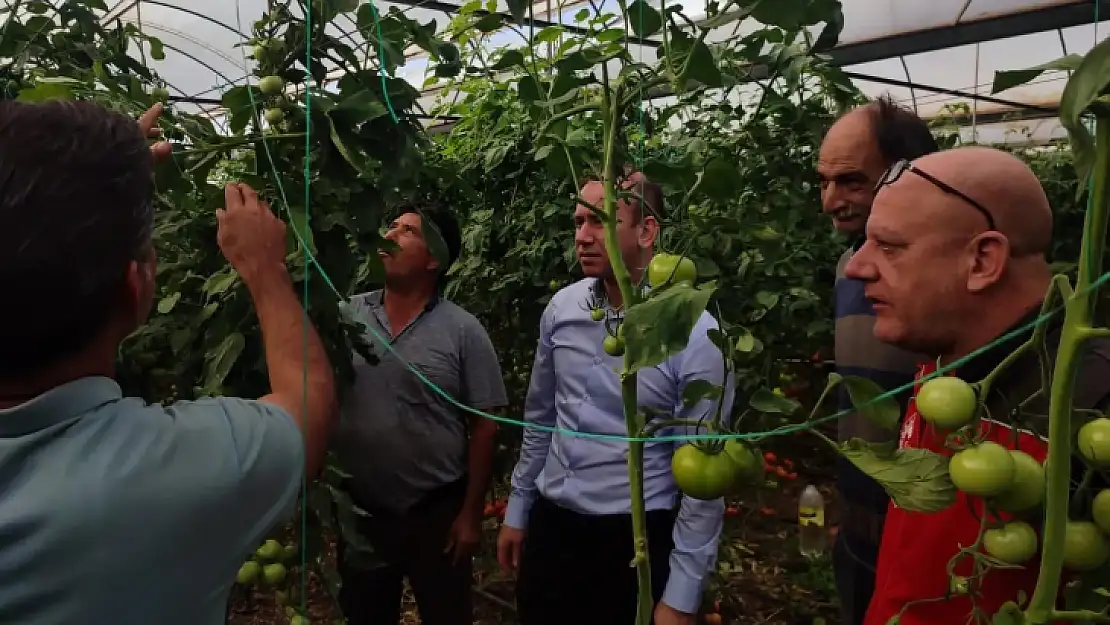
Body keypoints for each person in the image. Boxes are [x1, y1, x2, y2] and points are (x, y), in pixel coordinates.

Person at [0, 101, 338, 624]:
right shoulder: (169, 476)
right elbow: (309, 399)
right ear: (133, 290)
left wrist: (80, 189)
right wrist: (265, 269)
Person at [844, 146, 1110, 625]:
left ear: (984, 260)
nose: (856, 266)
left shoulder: (1089, 412)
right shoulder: (944, 365)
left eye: (890, 246)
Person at [496, 173, 734, 625]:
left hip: (634, 539)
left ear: (647, 231)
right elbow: (541, 418)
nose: (582, 237)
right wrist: (519, 508)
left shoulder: (698, 336)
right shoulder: (563, 310)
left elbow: (705, 476)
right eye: (578, 222)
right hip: (553, 527)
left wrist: (680, 597)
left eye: (600, 222)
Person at [334, 203, 507, 625]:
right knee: (364, 613)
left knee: (446, 613)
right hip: (363, 511)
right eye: (390, 226)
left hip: (435, 512)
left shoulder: (463, 331)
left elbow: (486, 427)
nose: (389, 236)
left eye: (407, 231)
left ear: (434, 259)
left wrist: (469, 516)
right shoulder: (346, 315)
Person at [817, 93, 939, 625]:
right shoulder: (849, 266)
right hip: (863, 529)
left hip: (928, 537)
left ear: (906, 174)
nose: (829, 199)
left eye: (850, 181)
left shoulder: (947, 275)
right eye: (823, 182)